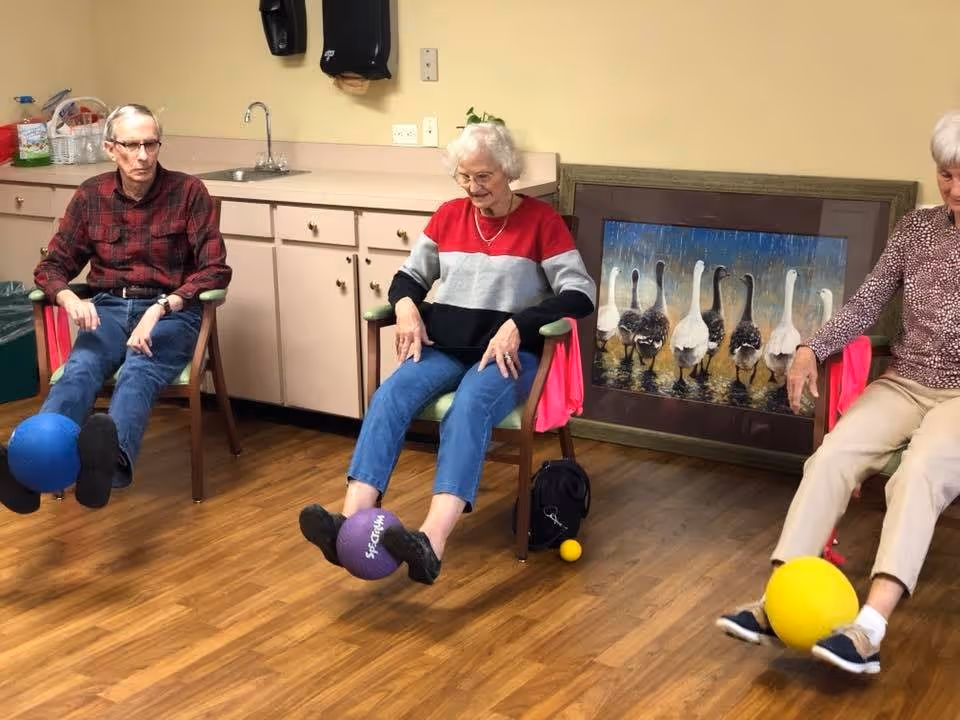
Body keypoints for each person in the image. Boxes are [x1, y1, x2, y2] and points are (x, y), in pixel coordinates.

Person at [716, 109, 960, 675]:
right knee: (831, 456)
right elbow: (868, 300)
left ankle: (869, 628)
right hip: (905, 380)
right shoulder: (918, 229)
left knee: (918, 471)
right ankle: (779, 600)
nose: (953, 188)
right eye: (945, 174)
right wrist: (811, 348)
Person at [299, 121, 596, 584]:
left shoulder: (542, 222)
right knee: (390, 395)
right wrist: (404, 307)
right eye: (464, 176)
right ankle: (347, 523)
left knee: (468, 408)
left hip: (506, 356)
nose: (473, 188)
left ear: (508, 172)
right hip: (447, 346)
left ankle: (431, 542)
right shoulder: (448, 216)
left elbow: (580, 293)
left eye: (484, 177)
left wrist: (520, 323)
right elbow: (409, 277)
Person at [0, 103, 231, 513]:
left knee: (138, 370)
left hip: (171, 314)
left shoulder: (189, 192)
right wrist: (68, 296)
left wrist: (161, 307)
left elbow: (215, 270)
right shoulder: (91, 196)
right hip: (107, 307)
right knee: (79, 372)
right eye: (131, 145)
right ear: (111, 149)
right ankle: (26, 471)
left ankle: (109, 466)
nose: (143, 156)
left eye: (150, 144)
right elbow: (52, 266)